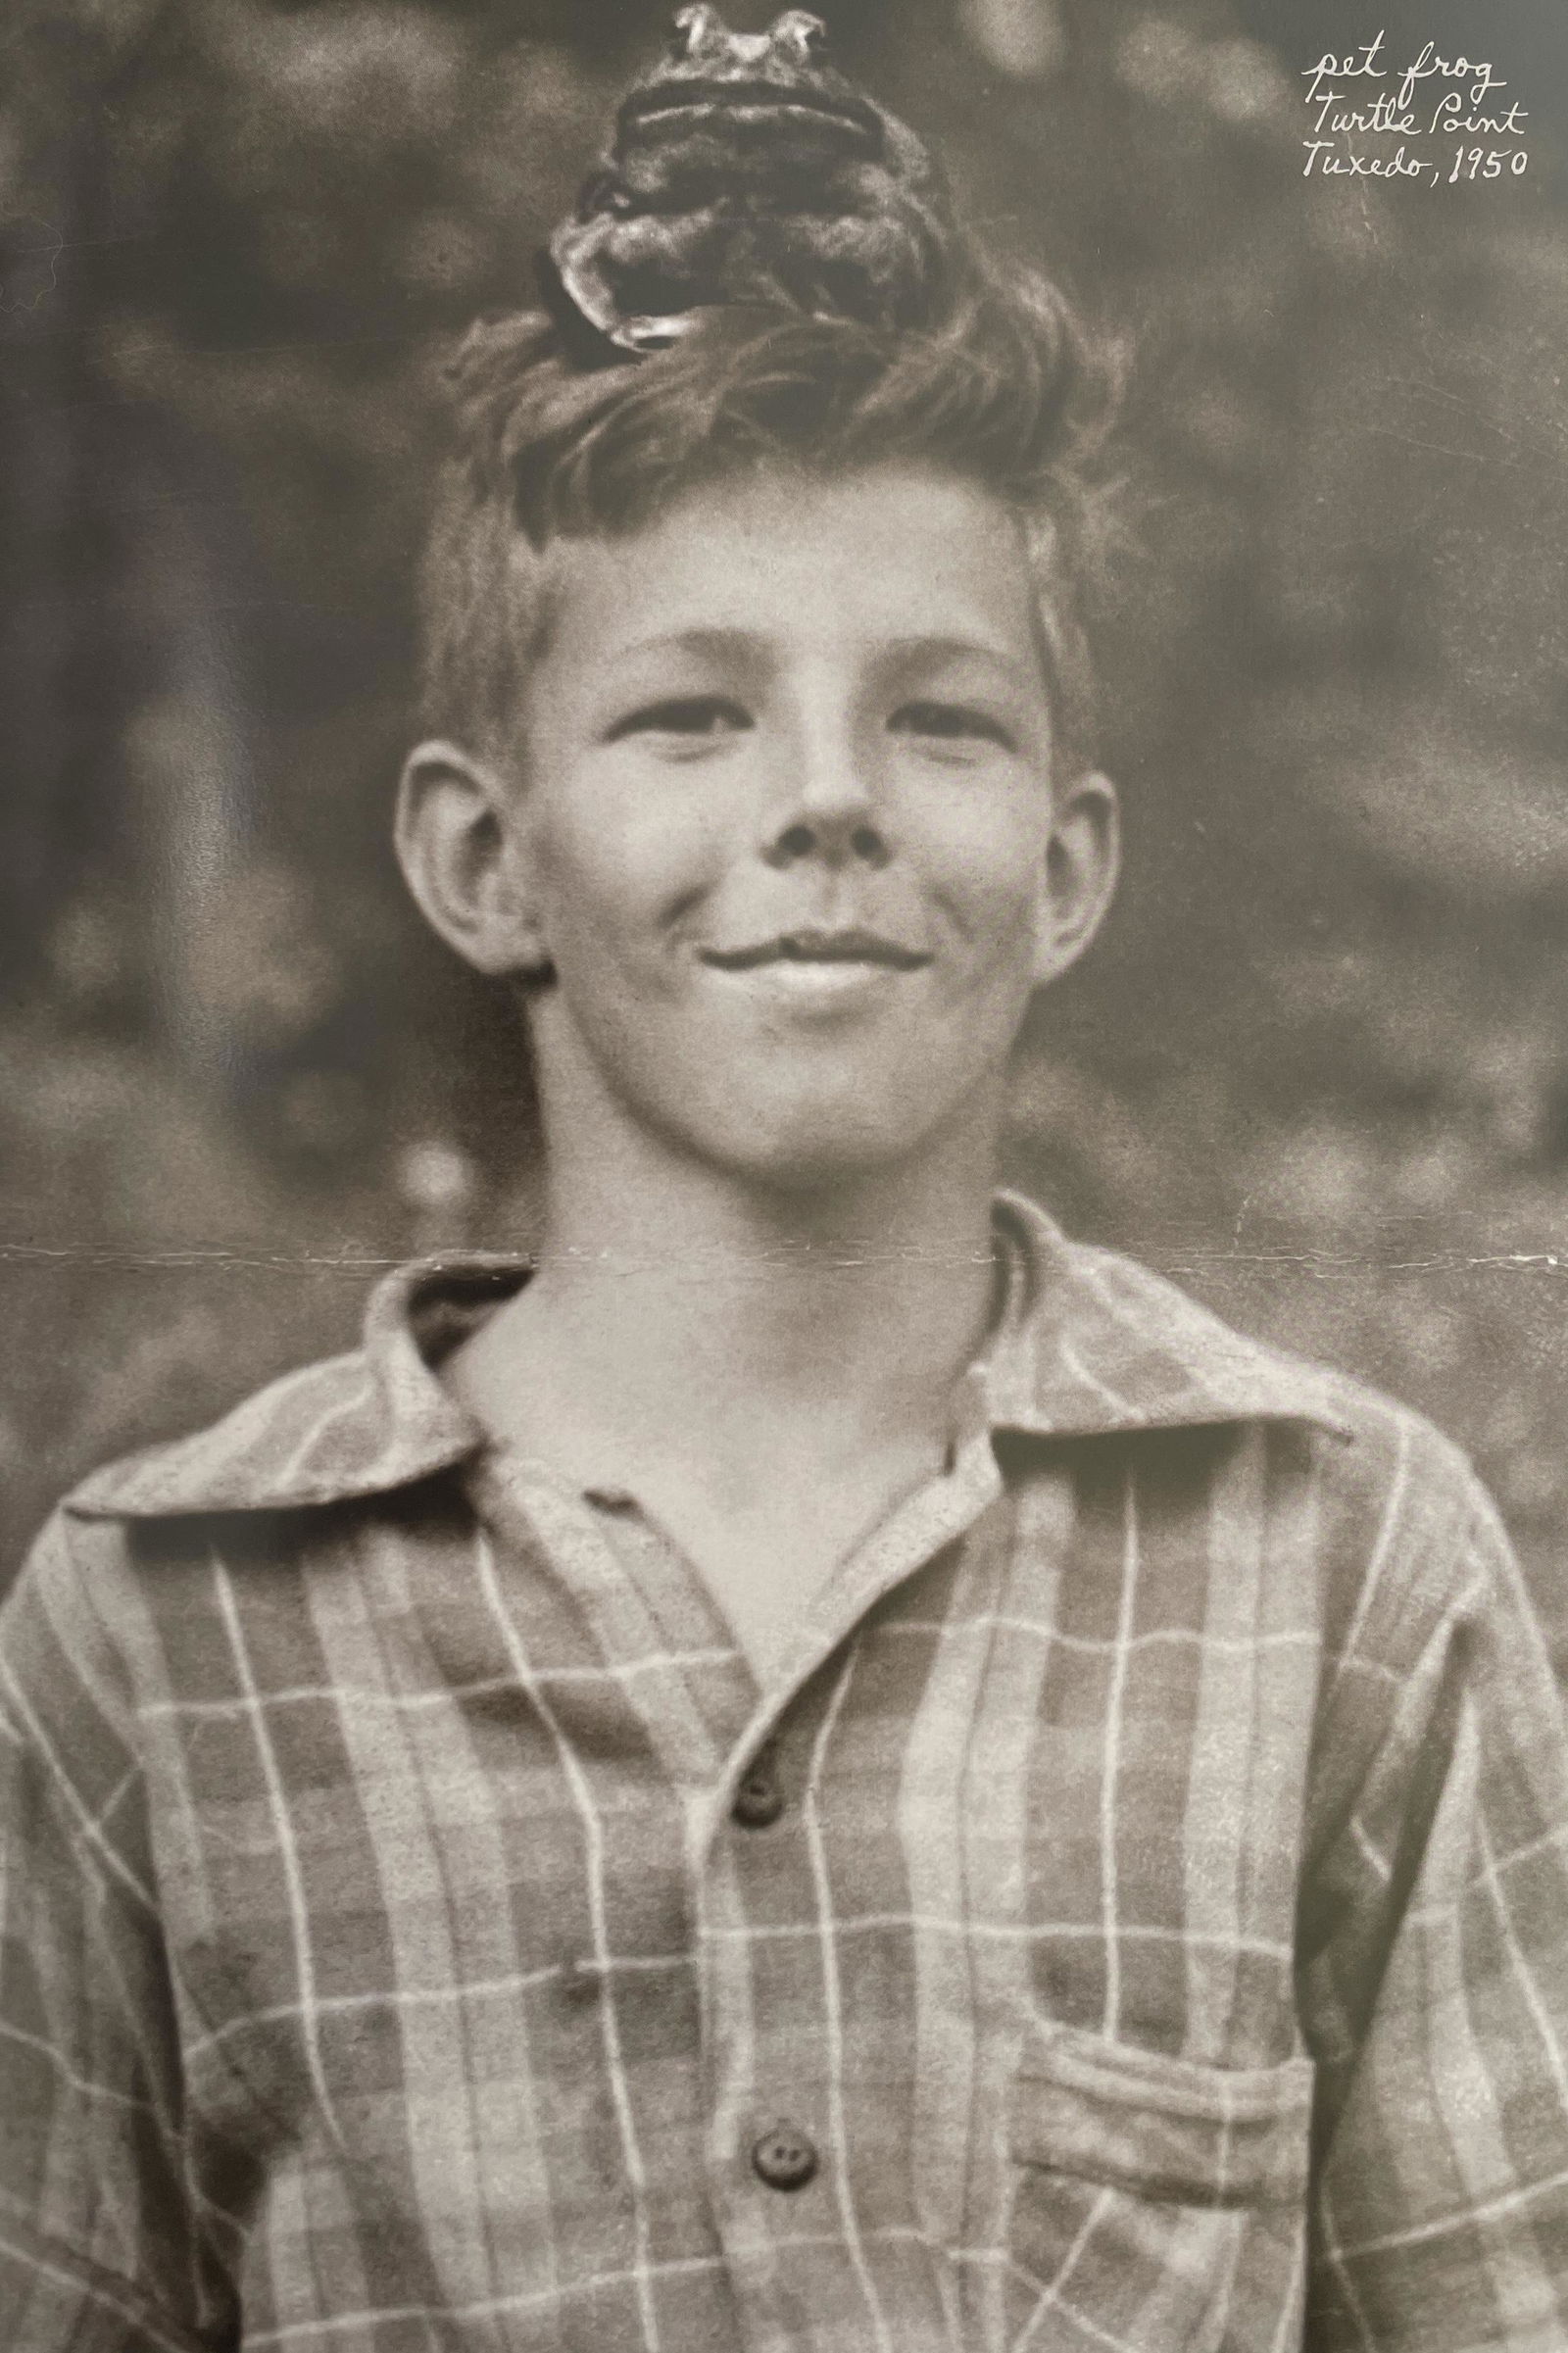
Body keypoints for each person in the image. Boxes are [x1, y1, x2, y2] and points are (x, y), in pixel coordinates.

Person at [4, 140, 1568, 2353]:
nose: (826, 797)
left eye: (937, 715)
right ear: (483, 858)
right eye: (688, 713)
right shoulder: (153, 1634)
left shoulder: (1337, 1561)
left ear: (1061, 866)